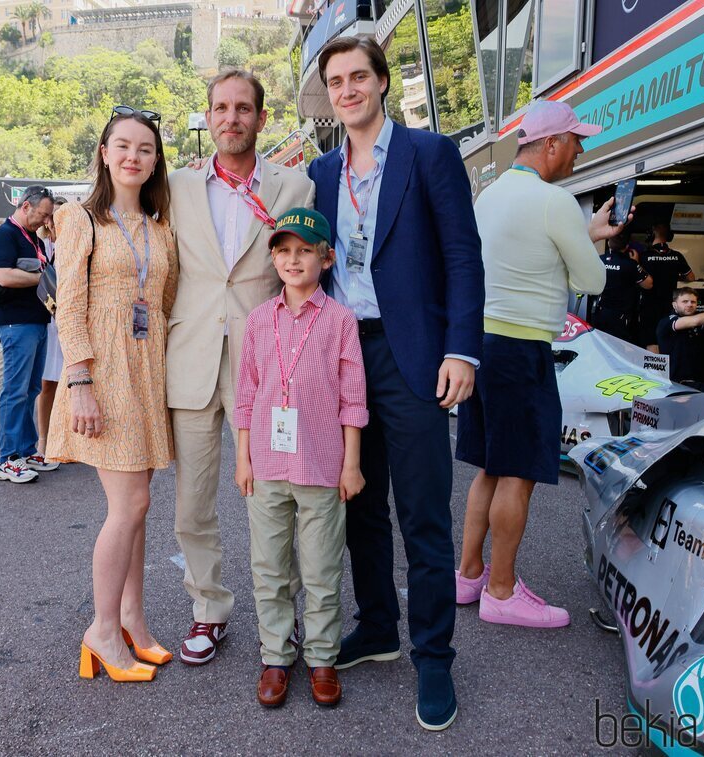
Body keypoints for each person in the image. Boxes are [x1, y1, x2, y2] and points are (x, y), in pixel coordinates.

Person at [308, 36, 485, 731]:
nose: (347, 89)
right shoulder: (322, 172)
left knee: (422, 512)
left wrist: (461, 350)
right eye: (336, 81)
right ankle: (378, 623)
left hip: (412, 354)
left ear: (383, 82)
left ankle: (433, 653)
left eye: (358, 77)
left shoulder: (430, 154)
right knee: (357, 503)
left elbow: (463, 258)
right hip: (341, 353)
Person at [456, 101, 623, 636]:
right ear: (550, 145)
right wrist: (589, 238)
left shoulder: (490, 193)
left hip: (482, 344)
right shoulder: (556, 202)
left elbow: (522, 256)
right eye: (576, 141)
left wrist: (586, 232)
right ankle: (502, 592)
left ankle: (469, 574)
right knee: (520, 472)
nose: (580, 151)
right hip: (524, 351)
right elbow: (593, 282)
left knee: (490, 466)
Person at [166, 69, 314, 665]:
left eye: (243, 108)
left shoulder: (293, 185)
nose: (231, 118)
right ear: (208, 115)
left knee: (277, 499)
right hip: (192, 358)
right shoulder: (175, 186)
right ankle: (208, 609)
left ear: (261, 116)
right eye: (221, 108)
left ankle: (281, 617)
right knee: (192, 502)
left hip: (271, 366)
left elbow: (304, 273)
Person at [47, 106, 178, 682]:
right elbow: (69, 304)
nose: (133, 156)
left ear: (155, 161)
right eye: (122, 146)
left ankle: (133, 621)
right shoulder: (79, 218)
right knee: (129, 507)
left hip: (146, 371)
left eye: (145, 149)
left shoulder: (159, 224)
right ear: (103, 152)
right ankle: (101, 630)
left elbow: (167, 302)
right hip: (101, 373)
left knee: (138, 510)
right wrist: (79, 384)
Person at [235, 208, 367, 708]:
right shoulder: (258, 320)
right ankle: (275, 656)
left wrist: (351, 464)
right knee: (268, 566)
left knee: (321, 569)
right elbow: (247, 392)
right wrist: (243, 458)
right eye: (285, 251)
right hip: (266, 464)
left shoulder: (339, 321)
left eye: (305, 251)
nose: (294, 260)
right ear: (273, 258)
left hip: (322, 466)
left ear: (326, 259)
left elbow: (353, 397)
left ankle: (322, 658)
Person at [0, 185, 58, 483]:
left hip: (36, 322)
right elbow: (3, 275)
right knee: (15, 391)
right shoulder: (5, 235)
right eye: (42, 214)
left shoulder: (31, 237)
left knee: (30, 390)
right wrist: (42, 278)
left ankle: (25, 451)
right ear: (25, 206)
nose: (44, 221)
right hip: (17, 324)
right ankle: (8, 458)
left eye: (48, 216)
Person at [36, 196, 68, 460]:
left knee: (74, 383)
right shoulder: (41, 244)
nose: (52, 221)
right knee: (48, 385)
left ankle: (70, 442)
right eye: (50, 216)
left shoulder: (78, 243)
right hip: (50, 321)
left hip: (72, 321)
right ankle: (43, 441)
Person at [639, 221, 695, 351]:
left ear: (651, 234)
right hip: (670, 305)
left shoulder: (643, 256)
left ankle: (654, 371)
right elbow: (691, 277)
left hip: (649, 305)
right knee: (668, 337)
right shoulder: (676, 255)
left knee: (652, 340)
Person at [591, 230, 653, 343]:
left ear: (609, 243)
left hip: (599, 311)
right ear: (627, 247)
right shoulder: (631, 264)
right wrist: (637, 263)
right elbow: (648, 284)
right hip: (620, 315)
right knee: (618, 346)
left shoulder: (599, 259)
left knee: (599, 344)